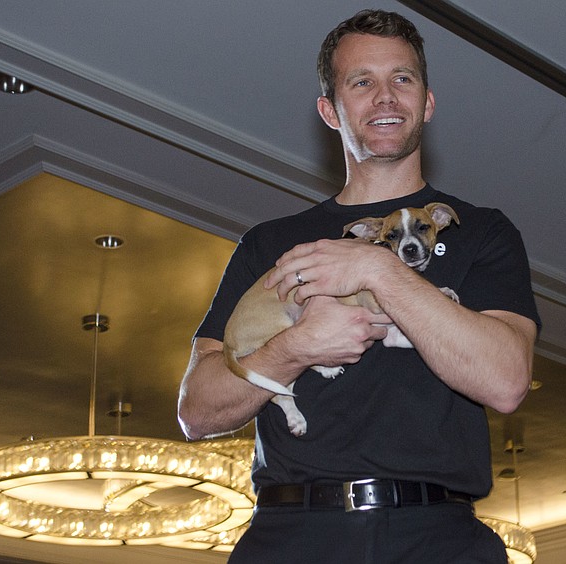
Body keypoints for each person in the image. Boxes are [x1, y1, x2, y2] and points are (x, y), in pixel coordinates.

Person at [178, 9, 540, 563]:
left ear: (428, 100)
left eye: (403, 78)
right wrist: (295, 347)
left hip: (436, 537)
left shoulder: (483, 232)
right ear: (330, 109)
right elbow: (197, 411)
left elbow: (507, 381)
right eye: (362, 82)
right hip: (292, 536)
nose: (386, 96)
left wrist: (376, 269)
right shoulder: (271, 243)